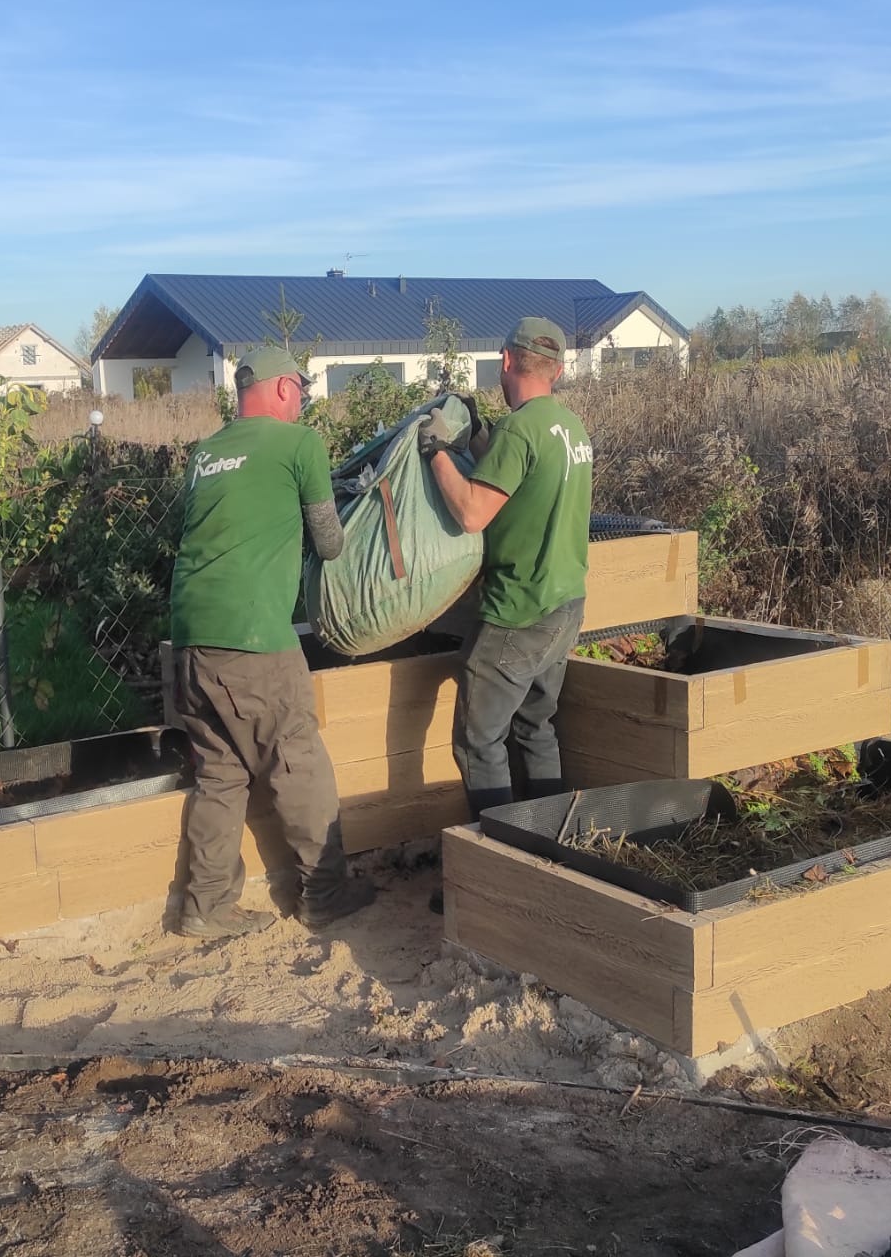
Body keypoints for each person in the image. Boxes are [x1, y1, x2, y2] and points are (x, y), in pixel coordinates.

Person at [167, 345, 374, 939]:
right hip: (254, 637)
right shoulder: (299, 444)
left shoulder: (205, 454)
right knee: (297, 758)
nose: (304, 398)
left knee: (221, 774)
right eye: (302, 389)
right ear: (283, 389)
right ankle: (326, 894)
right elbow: (330, 542)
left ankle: (205, 908)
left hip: (189, 641)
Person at [419, 315, 593, 834]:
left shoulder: (519, 430)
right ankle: (551, 844)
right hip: (564, 605)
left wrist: (436, 453)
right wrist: (478, 443)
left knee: (478, 742)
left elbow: (473, 512)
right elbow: (524, 483)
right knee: (535, 726)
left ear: (506, 360)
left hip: (517, 611)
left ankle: (500, 858)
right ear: (557, 371)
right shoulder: (570, 428)